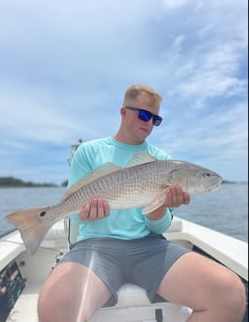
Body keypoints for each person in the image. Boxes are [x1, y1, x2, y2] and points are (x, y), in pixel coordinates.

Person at [38, 84, 246, 322]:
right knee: (53, 307)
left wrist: (160, 207)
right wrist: (86, 213)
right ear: (123, 112)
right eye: (144, 114)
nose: (149, 122)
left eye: (156, 119)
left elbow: (158, 228)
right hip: (96, 246)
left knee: (230, 294)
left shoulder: (163, 161)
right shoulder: (89, 151)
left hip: (150, 247)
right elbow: (74, 216)